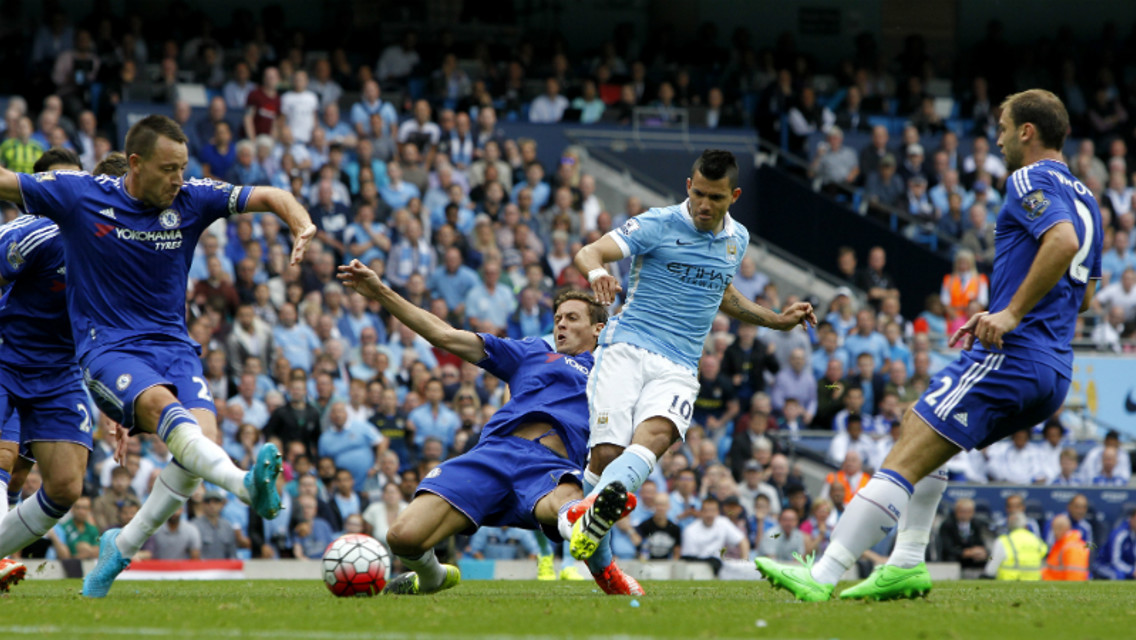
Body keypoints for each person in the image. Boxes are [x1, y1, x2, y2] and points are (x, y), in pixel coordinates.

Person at [755, 90, 1102, 601]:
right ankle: (907, 561)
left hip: (1014, 355)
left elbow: (1062, 243)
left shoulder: (1031, 177)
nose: (998, 138)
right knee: (918, 423)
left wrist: (1009, 313)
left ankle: (823, 574)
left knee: (904, 459)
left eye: (1004, 127)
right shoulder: (1087, 197)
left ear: (1027, 132)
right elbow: (1086, 294)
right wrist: (1010, 307)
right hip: (1052, 366)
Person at [0, 115, 317, 597]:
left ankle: (123, 544)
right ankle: (246, 485)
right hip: (100, 349)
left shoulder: (191, 199)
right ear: (135, 164)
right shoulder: (78, 200)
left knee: (192, 451)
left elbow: (269, 194)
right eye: (169, 169)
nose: (178, 179)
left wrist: (300, 221)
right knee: (161, 417)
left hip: (170, 348)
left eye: (183, 168)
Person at [564, 149, 814, 569]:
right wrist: (597, 274)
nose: (704, 205)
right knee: (607, 458)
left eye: (715, 198)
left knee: (656, 438)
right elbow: (590, 252)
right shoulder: (657, 222)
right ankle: (585, 540)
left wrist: (776, 321)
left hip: (680, 364)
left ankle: (581, 526)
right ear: (688, 187)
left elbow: (724, 294)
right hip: (627, 347)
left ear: (733, 196)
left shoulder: (738, 239)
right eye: (698, 194)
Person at [337, 260, 642, 596]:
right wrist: (380, 291)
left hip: (549, 467)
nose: (561, 326)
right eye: (557, 319)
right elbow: (444, 335)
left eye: (572, 318)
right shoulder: (532, 352)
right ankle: (433, 576)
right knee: (402, 538)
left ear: (599, 329)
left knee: (567, 505)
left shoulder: (612, 372)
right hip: (492, 456)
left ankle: (585, 525)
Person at [0, 149, 89, 591]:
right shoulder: (29, 232)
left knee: (66, 485)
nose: (67, 193)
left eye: (76, 182)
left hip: (58, 374)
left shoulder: (99, 237)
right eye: (57, 183)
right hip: (6, 358)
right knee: (3, 458)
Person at [984, 512, 1047, 580]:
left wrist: (988, 558)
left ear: (1008, 525)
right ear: (1026, 525)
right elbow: (1044, 557)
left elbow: (990, 569)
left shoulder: (1003, 541)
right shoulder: (1036, 540)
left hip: (1008, 582)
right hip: (1035, 582)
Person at [1042, 514, 1090, 581]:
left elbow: (1075, 576)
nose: (1055, 532)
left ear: (1067, 528)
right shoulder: (1060, 544)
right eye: (1054, 528)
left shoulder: (1072, 547)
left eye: (1058, 528)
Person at [1096, 509, 1136, 580]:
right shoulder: (1120, 534)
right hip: (1105, 565)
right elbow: (1115, 561)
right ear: (1131, 518)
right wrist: (1131, 571)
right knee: (1118, 575)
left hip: (1126, 568)